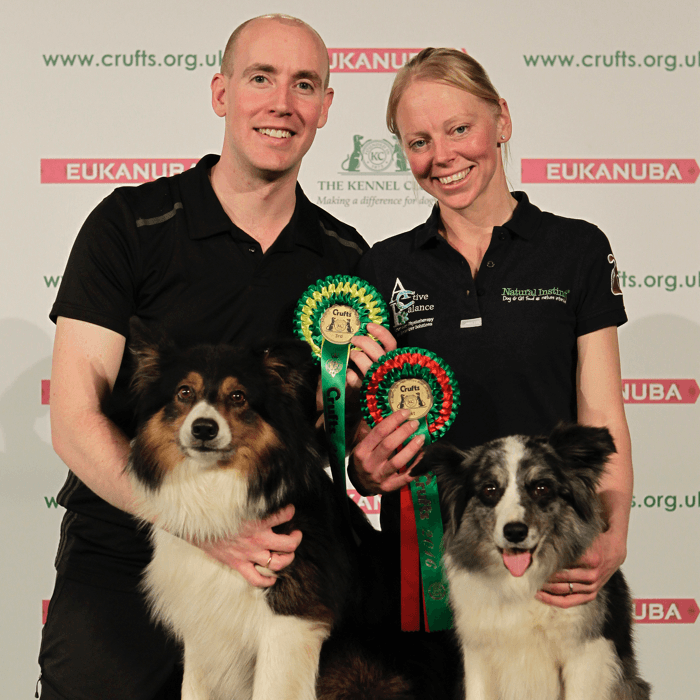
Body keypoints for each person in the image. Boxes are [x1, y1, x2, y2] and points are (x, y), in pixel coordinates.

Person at [38, 15, 368, 700]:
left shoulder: (346, 258)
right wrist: (199, 527)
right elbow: (73, 419)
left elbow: (345, 435)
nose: (282, 103)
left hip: (278, 554)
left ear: (326, 107)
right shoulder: (130, 224)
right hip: (128, 536)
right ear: (221, 93)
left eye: (304, 84)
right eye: (260, 78)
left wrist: (377, 454)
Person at [348, 46, 632, 693]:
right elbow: (363, 437)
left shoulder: (577, 249)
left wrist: (613, 533)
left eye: (458, 128)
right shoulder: (383, 269)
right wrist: (363, 467)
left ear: (501, 119)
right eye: (418, 141)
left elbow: (604, 411)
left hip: (556, 565)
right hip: (432, 583)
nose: (442, 155)